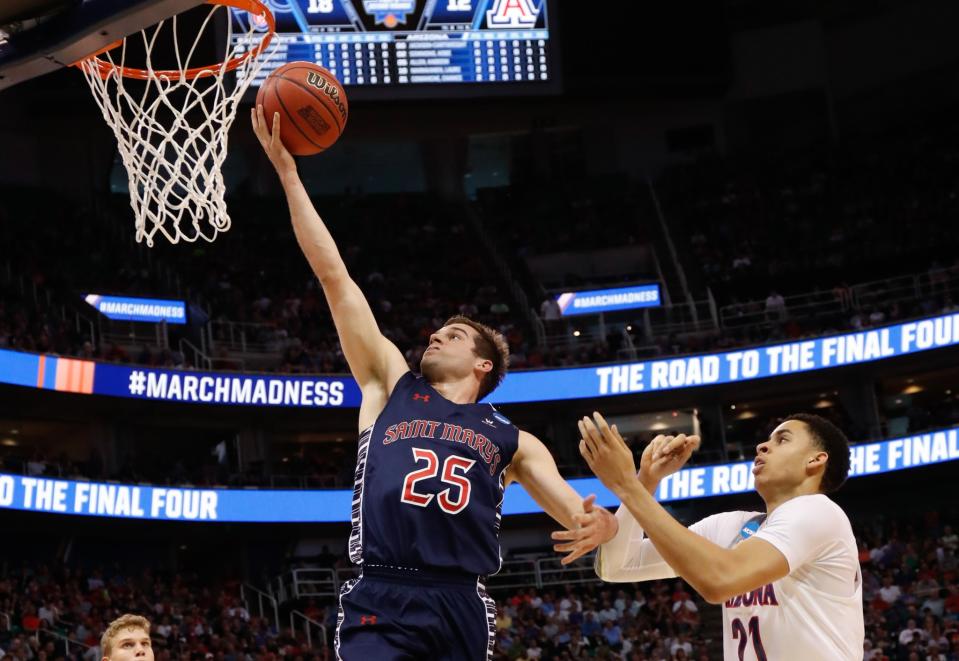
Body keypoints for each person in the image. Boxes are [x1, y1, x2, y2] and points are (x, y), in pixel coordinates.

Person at [251, 107, 617, 661]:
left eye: (453, 335)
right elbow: (335, 277)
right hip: (382, 589)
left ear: (483, 365)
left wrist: (604, 528)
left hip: (459, 602)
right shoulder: (388, 383)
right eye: (437, 331)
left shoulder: (511, 440)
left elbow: (580, 512)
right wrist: (288, 175)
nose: (434, 336)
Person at [555, 412, 863, 660]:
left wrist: (628, 486)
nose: (762, 446)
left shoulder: (819, 512)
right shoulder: (733, 527)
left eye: (782, 440)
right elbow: (619, 566)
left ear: (815, 460)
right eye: (767, 439)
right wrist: (646, 480)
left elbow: (720, 581)